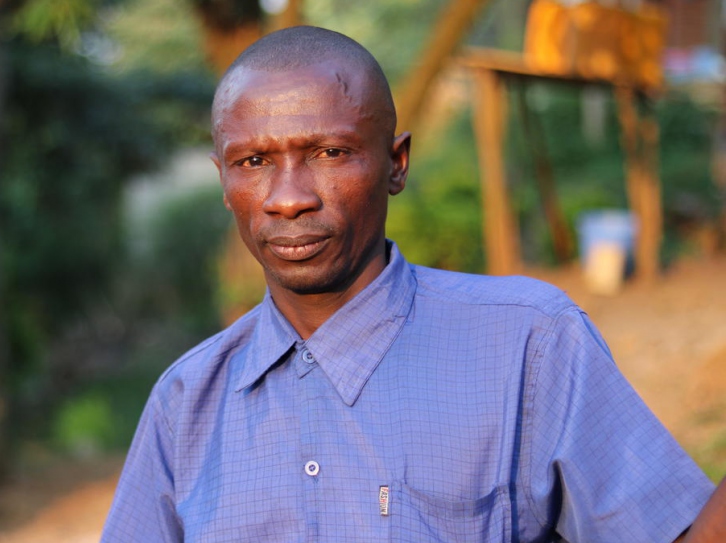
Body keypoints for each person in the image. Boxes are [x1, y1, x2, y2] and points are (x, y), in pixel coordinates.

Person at [102, 26, 719, 541]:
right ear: (223, 178)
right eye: (254, 162)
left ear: (395, 163)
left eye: (330, 153)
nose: (288, 199)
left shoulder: (528, 345)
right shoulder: (185, 403)